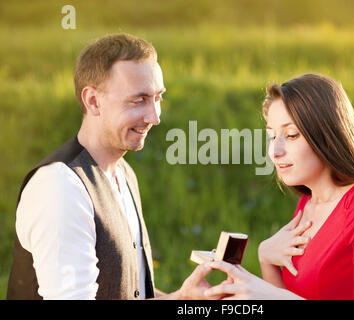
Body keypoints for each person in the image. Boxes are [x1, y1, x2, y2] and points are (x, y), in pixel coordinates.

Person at [7, 33, 212, 300]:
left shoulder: (124, 173)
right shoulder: (59, 187)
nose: (155, 116)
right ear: (93, 101)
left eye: (158, 97)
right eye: (138, 100)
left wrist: (182, 299)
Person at [205, 73, 354, 300]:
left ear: (326, 134)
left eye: (292, 135)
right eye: (272, 136)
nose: (275, 151)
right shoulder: (308, 205)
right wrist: (266, 259)